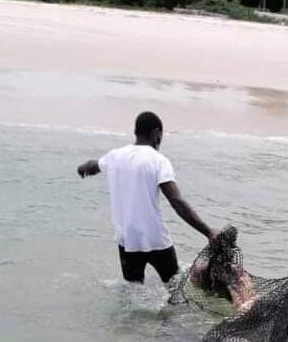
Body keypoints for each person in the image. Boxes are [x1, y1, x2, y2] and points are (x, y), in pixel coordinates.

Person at [77, 111, 217, 284]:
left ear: (136, 132)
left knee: (134, 291)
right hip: (155, 240)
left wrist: (83, 167)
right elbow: (177, 202)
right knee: (175, 287)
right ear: (156, 133)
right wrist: (208, 231)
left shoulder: (115, 156)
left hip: (127, 240)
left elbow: (94, 165)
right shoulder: (158, 161)